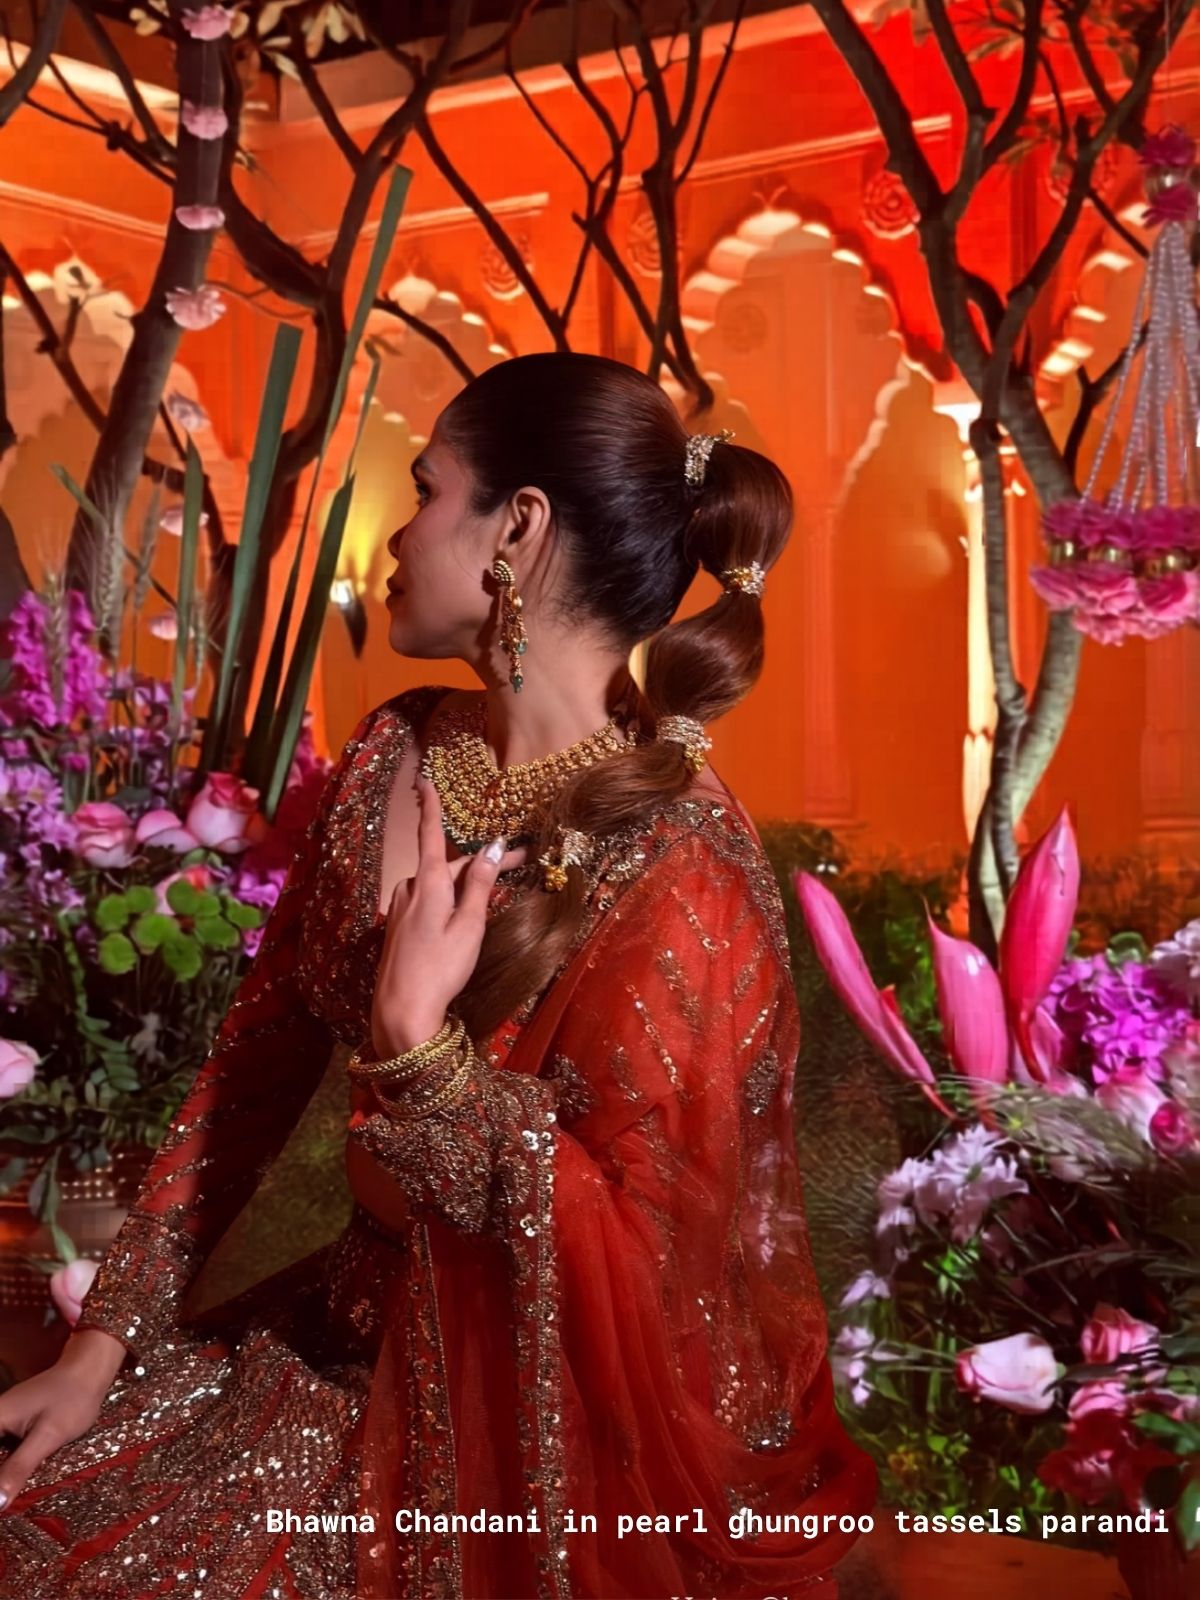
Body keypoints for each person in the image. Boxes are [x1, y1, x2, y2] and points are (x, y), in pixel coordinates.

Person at [0, 352, 875, 1597]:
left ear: (515, 526)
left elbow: (658, 1260)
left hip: (531, 1443)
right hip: (335, 1348)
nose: (398, 536)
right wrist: (101, 1346)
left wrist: (424, 1053)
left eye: (424, 489)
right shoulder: (389, 752)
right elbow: (248, 1075)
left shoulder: (681, 867)